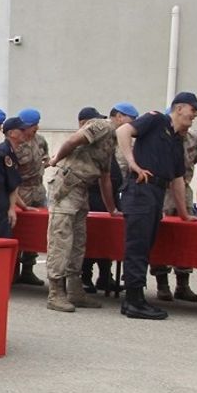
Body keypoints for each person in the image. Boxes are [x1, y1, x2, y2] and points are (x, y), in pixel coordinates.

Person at [116, 92, 197, 320]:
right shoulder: (155, 120)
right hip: (141, 189)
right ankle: (134, 301)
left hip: (156, 193)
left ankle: (133, 300)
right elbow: (123, 131)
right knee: (137, 246)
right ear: (180, 108)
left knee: (145, 246)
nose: (195, 115)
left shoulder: (177, 140)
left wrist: (185, 214)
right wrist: (132, 163)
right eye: (193, 110)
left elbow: (177, 180)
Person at [41, 107, 126, 312]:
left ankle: (75, 290)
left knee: (78, 241)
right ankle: (55, 292)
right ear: (119, 118)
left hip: (82, 190)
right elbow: (72, 141)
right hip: (67, 185)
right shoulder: (102, 125)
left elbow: (105, 177)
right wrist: (55, 160)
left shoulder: (111, 141)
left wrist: (112, 209)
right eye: (130, 121)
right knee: (60, 239)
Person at [148, 111, 197, 301]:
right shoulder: (160, 137)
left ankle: (183, 283)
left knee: (185, 238)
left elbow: (193, 161)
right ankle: (162, 284)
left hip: (183, 190)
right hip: (162, 191)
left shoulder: (193, 139)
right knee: (160, 237)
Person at [83, 102, 136, 294]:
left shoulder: (114, 139)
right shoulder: (85, 142)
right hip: (92, 197)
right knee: (91, 239)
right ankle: (85, 277)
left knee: (109, 239)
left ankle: (106, 276)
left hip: (112, 195)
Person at [5, 108, 49, 285]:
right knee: (17, 230)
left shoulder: (40, 141)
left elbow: (44, 157)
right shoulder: (15, 144)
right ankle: (13, 270)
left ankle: (28, 269)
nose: (34, 130)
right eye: (31, 126)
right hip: (20, 191)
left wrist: (46, 162)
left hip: (38, 189)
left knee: (36, 231)